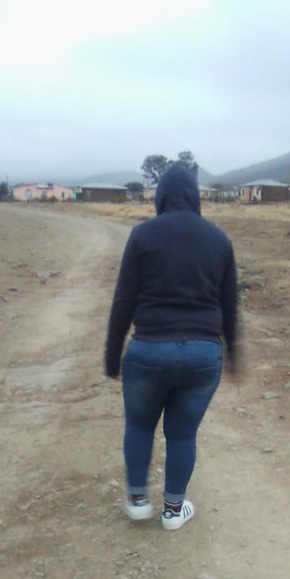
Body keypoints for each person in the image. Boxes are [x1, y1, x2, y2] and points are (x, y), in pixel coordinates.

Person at [104, 163, 241, 530]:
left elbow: (124, 301)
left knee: (139, 424)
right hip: (202, 355)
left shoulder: (142, 236)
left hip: (148, 351)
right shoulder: (219, 240)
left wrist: (112, 353)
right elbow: (230, 306)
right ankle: (173, 510)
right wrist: (233, 355)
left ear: (160, 197)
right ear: (195, 198)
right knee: (182, 433)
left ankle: (137, 501)